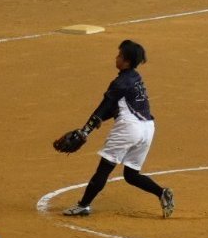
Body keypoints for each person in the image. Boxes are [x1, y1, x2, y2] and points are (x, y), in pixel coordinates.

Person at [62, 40, 175, 218]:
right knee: (131, 175)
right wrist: (93, 125)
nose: (117, 58)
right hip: (148, 128)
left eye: (120, 55)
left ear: (127, 61)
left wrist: (86, 131)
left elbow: (103, 108)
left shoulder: (120, 83)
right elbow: (113, 109)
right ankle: (162, 193)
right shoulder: (136, 78)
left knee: (104, 170)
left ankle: (83, 205)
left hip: (129, 128)